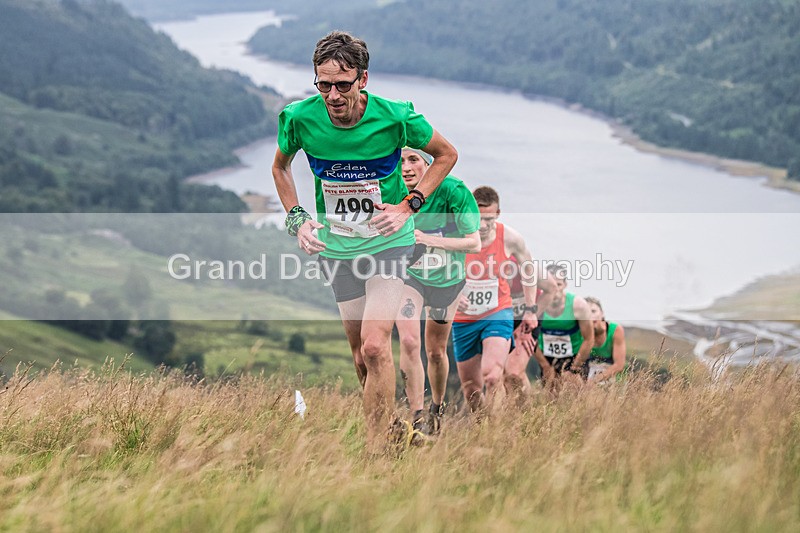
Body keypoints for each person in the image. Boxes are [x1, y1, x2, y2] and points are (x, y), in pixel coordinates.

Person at [271, 31, 458, 454]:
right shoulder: (300, 118)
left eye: (342, 84)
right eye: (323, 84)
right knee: (360, 358)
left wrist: (410, 205)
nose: (333, 95)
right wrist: (297, 219)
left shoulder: (396, 118)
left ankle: (377, 451)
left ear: (363, 79)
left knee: (376, 345)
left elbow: (446, 154)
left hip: (388, 245)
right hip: (338, 250)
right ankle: (389, 424)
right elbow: (280, 169)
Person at [394, 147, 480, 438]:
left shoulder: (453, 191)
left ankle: (437, 408)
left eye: (413, 160)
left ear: (429, 164)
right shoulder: (392, 188)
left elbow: (474, 243)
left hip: (447, 281)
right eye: (400, 161)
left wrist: (427, 239)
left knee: (435, 351)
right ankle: (416, 415)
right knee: (407, 339)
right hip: (410, 276)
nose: (405, 167)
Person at [451, 186, 546, 415]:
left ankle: (497, 432)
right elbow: (435, 270)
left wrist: (531, 310)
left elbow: (528, 270)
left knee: (493, 376)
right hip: (462, 319)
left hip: (498, 312)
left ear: (498, 213)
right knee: (471, 390)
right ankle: (483, 428)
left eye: (489, 219)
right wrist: (453, 296)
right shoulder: (454, 235)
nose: (482, 226)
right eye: (477, 218)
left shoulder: (510, 238)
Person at [533, 264, 594, 390]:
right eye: (550, 285)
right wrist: (544, 365)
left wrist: (575, 368)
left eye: (558, 284)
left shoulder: (578, 305)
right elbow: (530, 338)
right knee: (551, 398)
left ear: (565, 284)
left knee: (574, 394)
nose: (554, 289)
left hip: (574, 355)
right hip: (547, 356)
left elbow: (589, 338)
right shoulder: (535, 305)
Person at [585, 296, 627, 384]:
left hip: (612, 379)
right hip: (587, 377)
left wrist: (594, 381)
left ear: (602, 313)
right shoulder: (580, 333)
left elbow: (619, 365)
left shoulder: (615, 330)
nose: (590, 316)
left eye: (593, 311)